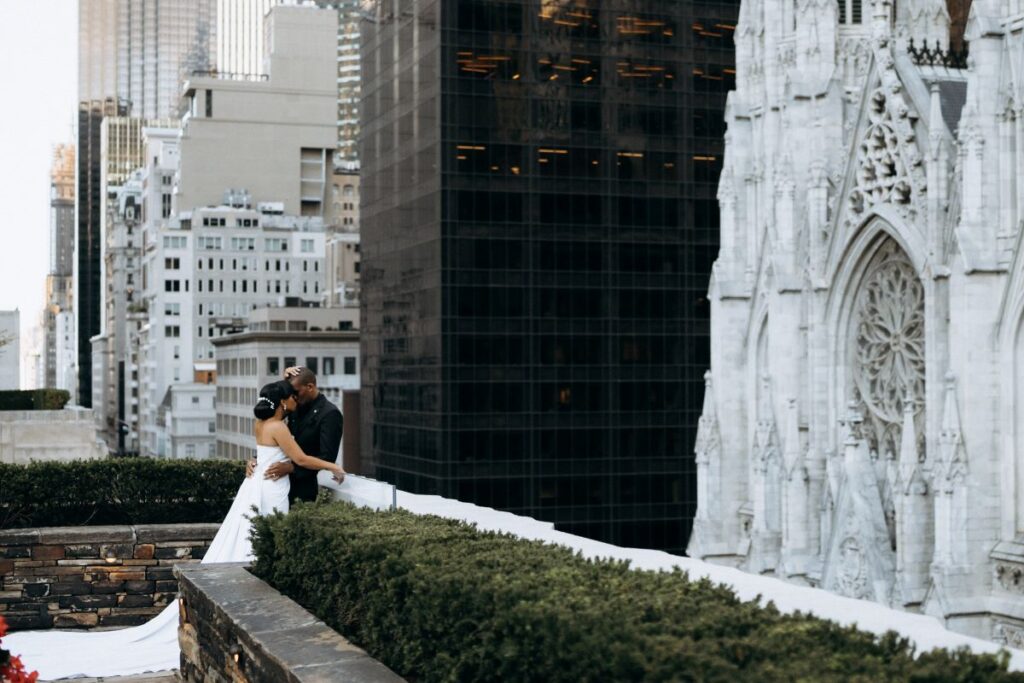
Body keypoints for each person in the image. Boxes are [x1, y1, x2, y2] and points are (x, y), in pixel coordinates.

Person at [2, 380, 344, 680]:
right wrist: (332, 465)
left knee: (248, 537)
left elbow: (270, 457)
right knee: (256, 539)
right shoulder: (279, 427)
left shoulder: (261, 425)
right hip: (268, 490)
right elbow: (300, 459)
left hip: (260, 485)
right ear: (284, 402)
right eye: (293, 400)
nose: (296, 404)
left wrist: (262, 462)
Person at [247, 366, 344, 504]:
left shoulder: (330, 414)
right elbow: (273, 435)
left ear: (310, 386)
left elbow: (327, 457)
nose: (294, 396)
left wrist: (291, 468)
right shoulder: (291, 406)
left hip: (302, 490)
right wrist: (258, 460)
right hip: (275, 485)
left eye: (296, 392)